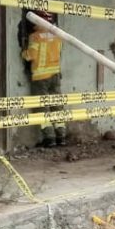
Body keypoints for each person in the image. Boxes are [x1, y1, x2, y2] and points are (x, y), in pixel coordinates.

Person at [21, 11, 66, 147]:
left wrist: (23, 53)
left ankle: (49, 137)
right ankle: (61, 135)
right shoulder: (57, 36)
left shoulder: (35, 37)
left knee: (42, 107)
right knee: (57, 105)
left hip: (41, 77)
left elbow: (31, 55)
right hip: (55, 75)